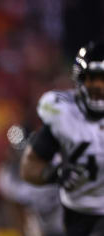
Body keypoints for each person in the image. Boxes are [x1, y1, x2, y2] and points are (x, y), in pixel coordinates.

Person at [20, 41, 104, 236]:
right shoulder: (64, 112)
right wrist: (55, 173)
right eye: (92, 78)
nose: (98, 87)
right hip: (76, 213)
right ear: (79, 79)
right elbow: (29, 167)